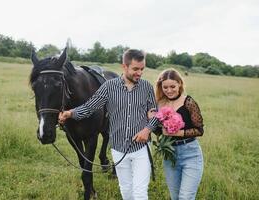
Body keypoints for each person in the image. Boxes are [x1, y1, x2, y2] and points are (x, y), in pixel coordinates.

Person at [59, 49, 158, 200]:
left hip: (141, 148)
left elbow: (154, 113)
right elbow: (90, 107)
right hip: (118, 149)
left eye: (142, 69)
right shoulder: (108, 87)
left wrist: (147, 129)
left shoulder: (147, 88)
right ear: (124, 67)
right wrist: (70, 113)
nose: (139, 73)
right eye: (135, 69)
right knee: (126, 191)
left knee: (139, 192)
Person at [151, 69, 204, 200]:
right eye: (165, 87)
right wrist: (151, 120)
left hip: (191, 154)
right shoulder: (160, 104)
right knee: (175, 197)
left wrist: (179, 132)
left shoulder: (188, 102)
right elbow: (159, 132)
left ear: (179, 84)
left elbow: (199, 130)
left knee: (186, 197)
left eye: (173, 86)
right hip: (170, 156)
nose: (169, 90)